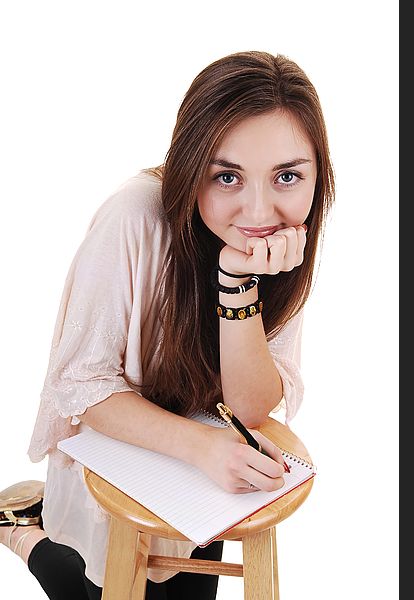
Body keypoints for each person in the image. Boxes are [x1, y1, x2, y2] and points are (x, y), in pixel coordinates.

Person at [0, 50, 334, 599]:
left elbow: (249, 405)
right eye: (227, 176)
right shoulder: (132, 218)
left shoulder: (281, 245)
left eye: (287, 176)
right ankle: (24, 533)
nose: (258, 211)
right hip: (123, 463)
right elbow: (79, 389)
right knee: (85, 586)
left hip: (200, 481)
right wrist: (202, 447)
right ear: (190, 166)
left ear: (317, 176)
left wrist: (237, 285)